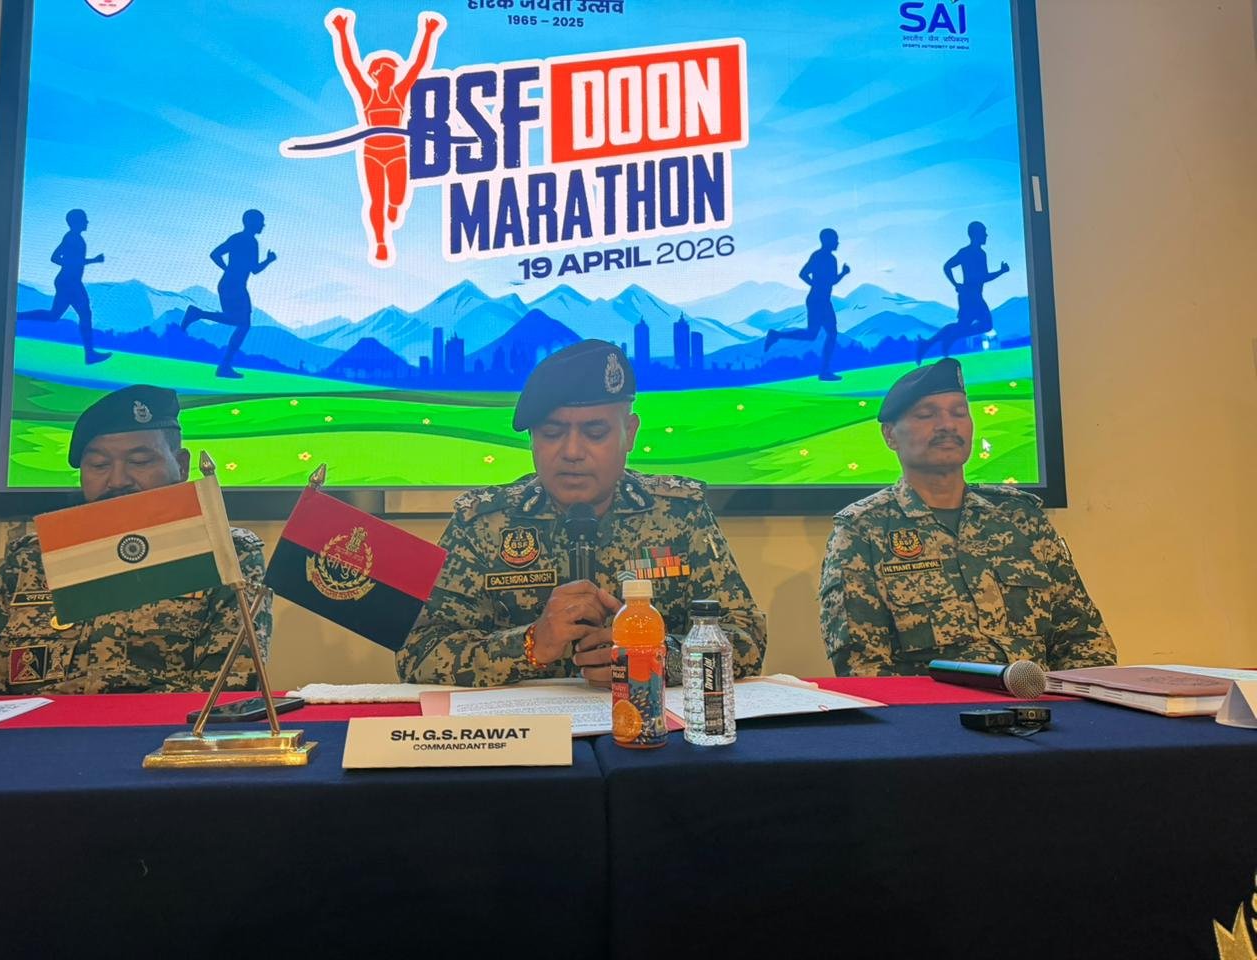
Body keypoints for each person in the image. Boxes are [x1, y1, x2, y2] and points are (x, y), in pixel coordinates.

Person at [399, 340, 767, 687]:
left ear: (630, 433)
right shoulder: (483, 524)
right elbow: (417, 653)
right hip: (528, 726)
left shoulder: (680, 514)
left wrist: (660, 658)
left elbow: (746, 638)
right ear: (532, 438)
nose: (572, 452)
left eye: (595, 432)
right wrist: (530, 645)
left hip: (648, 718)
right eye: (552, 432)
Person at [819, 358, 1116, 676]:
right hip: (932, 707)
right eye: (927, 415)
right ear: (890, 435)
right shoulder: (862, 531)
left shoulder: (1021, 519)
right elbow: (863, 668)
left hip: (1038, 702)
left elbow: (1085, 640)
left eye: (959, 412)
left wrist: (1075, 701)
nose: (947, 425)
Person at [0, 385, 272, 694]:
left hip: (163, 725)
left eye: (140, 461)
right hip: (38, 725)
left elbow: (229, 691)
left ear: (181, 465)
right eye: (99, 465)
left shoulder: (225, 552)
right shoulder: (32, 558)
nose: (117, 480)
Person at [327, 8, 444, 265]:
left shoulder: (399, 93)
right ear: (376, 74)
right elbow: (350, 66)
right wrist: (342, 32)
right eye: (387, 70)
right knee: (375, 200)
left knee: (398, 198)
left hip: (396, 153)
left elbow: (417, 66)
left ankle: (394, 207)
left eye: (393, 70)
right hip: (372, 155)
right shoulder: (366, 94)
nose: (392, 73)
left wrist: (428, 32)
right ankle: (381, 241)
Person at [181, 210, 276, 378]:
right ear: (252, 222)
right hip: (235, 286)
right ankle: (224, 366)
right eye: (261, 221)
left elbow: (215, 254)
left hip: (229, 284)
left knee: (239, 321)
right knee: (243, 324)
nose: (263, 225)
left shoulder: (236, 238)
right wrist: (269, 260)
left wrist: (227, 270)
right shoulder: (251, 242)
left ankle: (198, 314)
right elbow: (254, 269)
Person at [16, 208, 111, 365]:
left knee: (55, 316)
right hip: (70, 282)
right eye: (84, 219)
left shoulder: (72, 237)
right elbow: (58, 258)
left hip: (68, 281)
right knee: (83, 314)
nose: (87, 222)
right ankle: (89, 354)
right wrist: (92, 260)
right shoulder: (72, 238)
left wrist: (71, 263)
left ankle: (17, 316)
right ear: (76, 222)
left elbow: (57, 258)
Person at [764, 228, 849, 381]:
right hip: (819, 300)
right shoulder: (826, 258)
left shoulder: (822, 257)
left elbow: (809, 275)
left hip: (819, 299)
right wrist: (839, 275)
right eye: (835, 239)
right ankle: (824, 372)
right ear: (827, 240)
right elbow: (816, 277)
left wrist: (817, 284)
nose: (838, 242)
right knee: (828, 333)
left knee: (813, 334)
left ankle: (776, 335)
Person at [916, 221, 1009, 362]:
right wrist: (1001, 272)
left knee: (963, 327)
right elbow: (981, 277)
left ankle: (934, 342)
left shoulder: (972, 253)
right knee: (983, 325)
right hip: (971, 297)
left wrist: (957, 285)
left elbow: (949, 267)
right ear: (976, 234)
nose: (986, 235)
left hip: (971, 295)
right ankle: (940, 341)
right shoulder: (975, 254)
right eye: (984, 232)